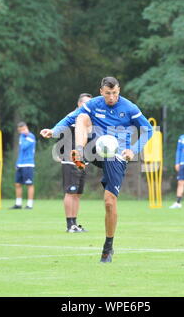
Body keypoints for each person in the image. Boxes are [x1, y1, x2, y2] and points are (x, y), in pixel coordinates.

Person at [69, 76, 153, 263]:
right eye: (108, 93)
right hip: (97, 147)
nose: (112, 97)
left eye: (115, 93)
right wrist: (55, 129)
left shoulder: (130, 107)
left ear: (119, 90)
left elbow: (148, 130)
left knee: (109, 202)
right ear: (101, 92)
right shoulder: (94, 104)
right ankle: (81, 153)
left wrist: (134, 149)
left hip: (117, 156)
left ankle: (108, 247)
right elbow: (71, 119)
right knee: (82, 116)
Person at [40, 93, 93, 233]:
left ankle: (75, 223)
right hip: (71, 160)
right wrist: (52, 131)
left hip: (83, 161)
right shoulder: (74, 116)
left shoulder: (89, 118)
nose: (89, 106)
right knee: (70, 192)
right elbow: (60, 127)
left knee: (77, 194)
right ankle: (69, 225)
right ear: (79, 104)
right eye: (86, 103)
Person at [10, 122, 36, 210]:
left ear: (26, 128)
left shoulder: (31, 136)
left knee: (29, 184)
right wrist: (17, 163)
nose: (21, 132)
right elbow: (21, 151)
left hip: (28, 164)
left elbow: (24, 147)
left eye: (22, 129)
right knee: (17, 184)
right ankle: (18, 203)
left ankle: (29, 204)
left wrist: (27, 134)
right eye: (20, 130)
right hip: (20, 164)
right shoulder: (21, 137)